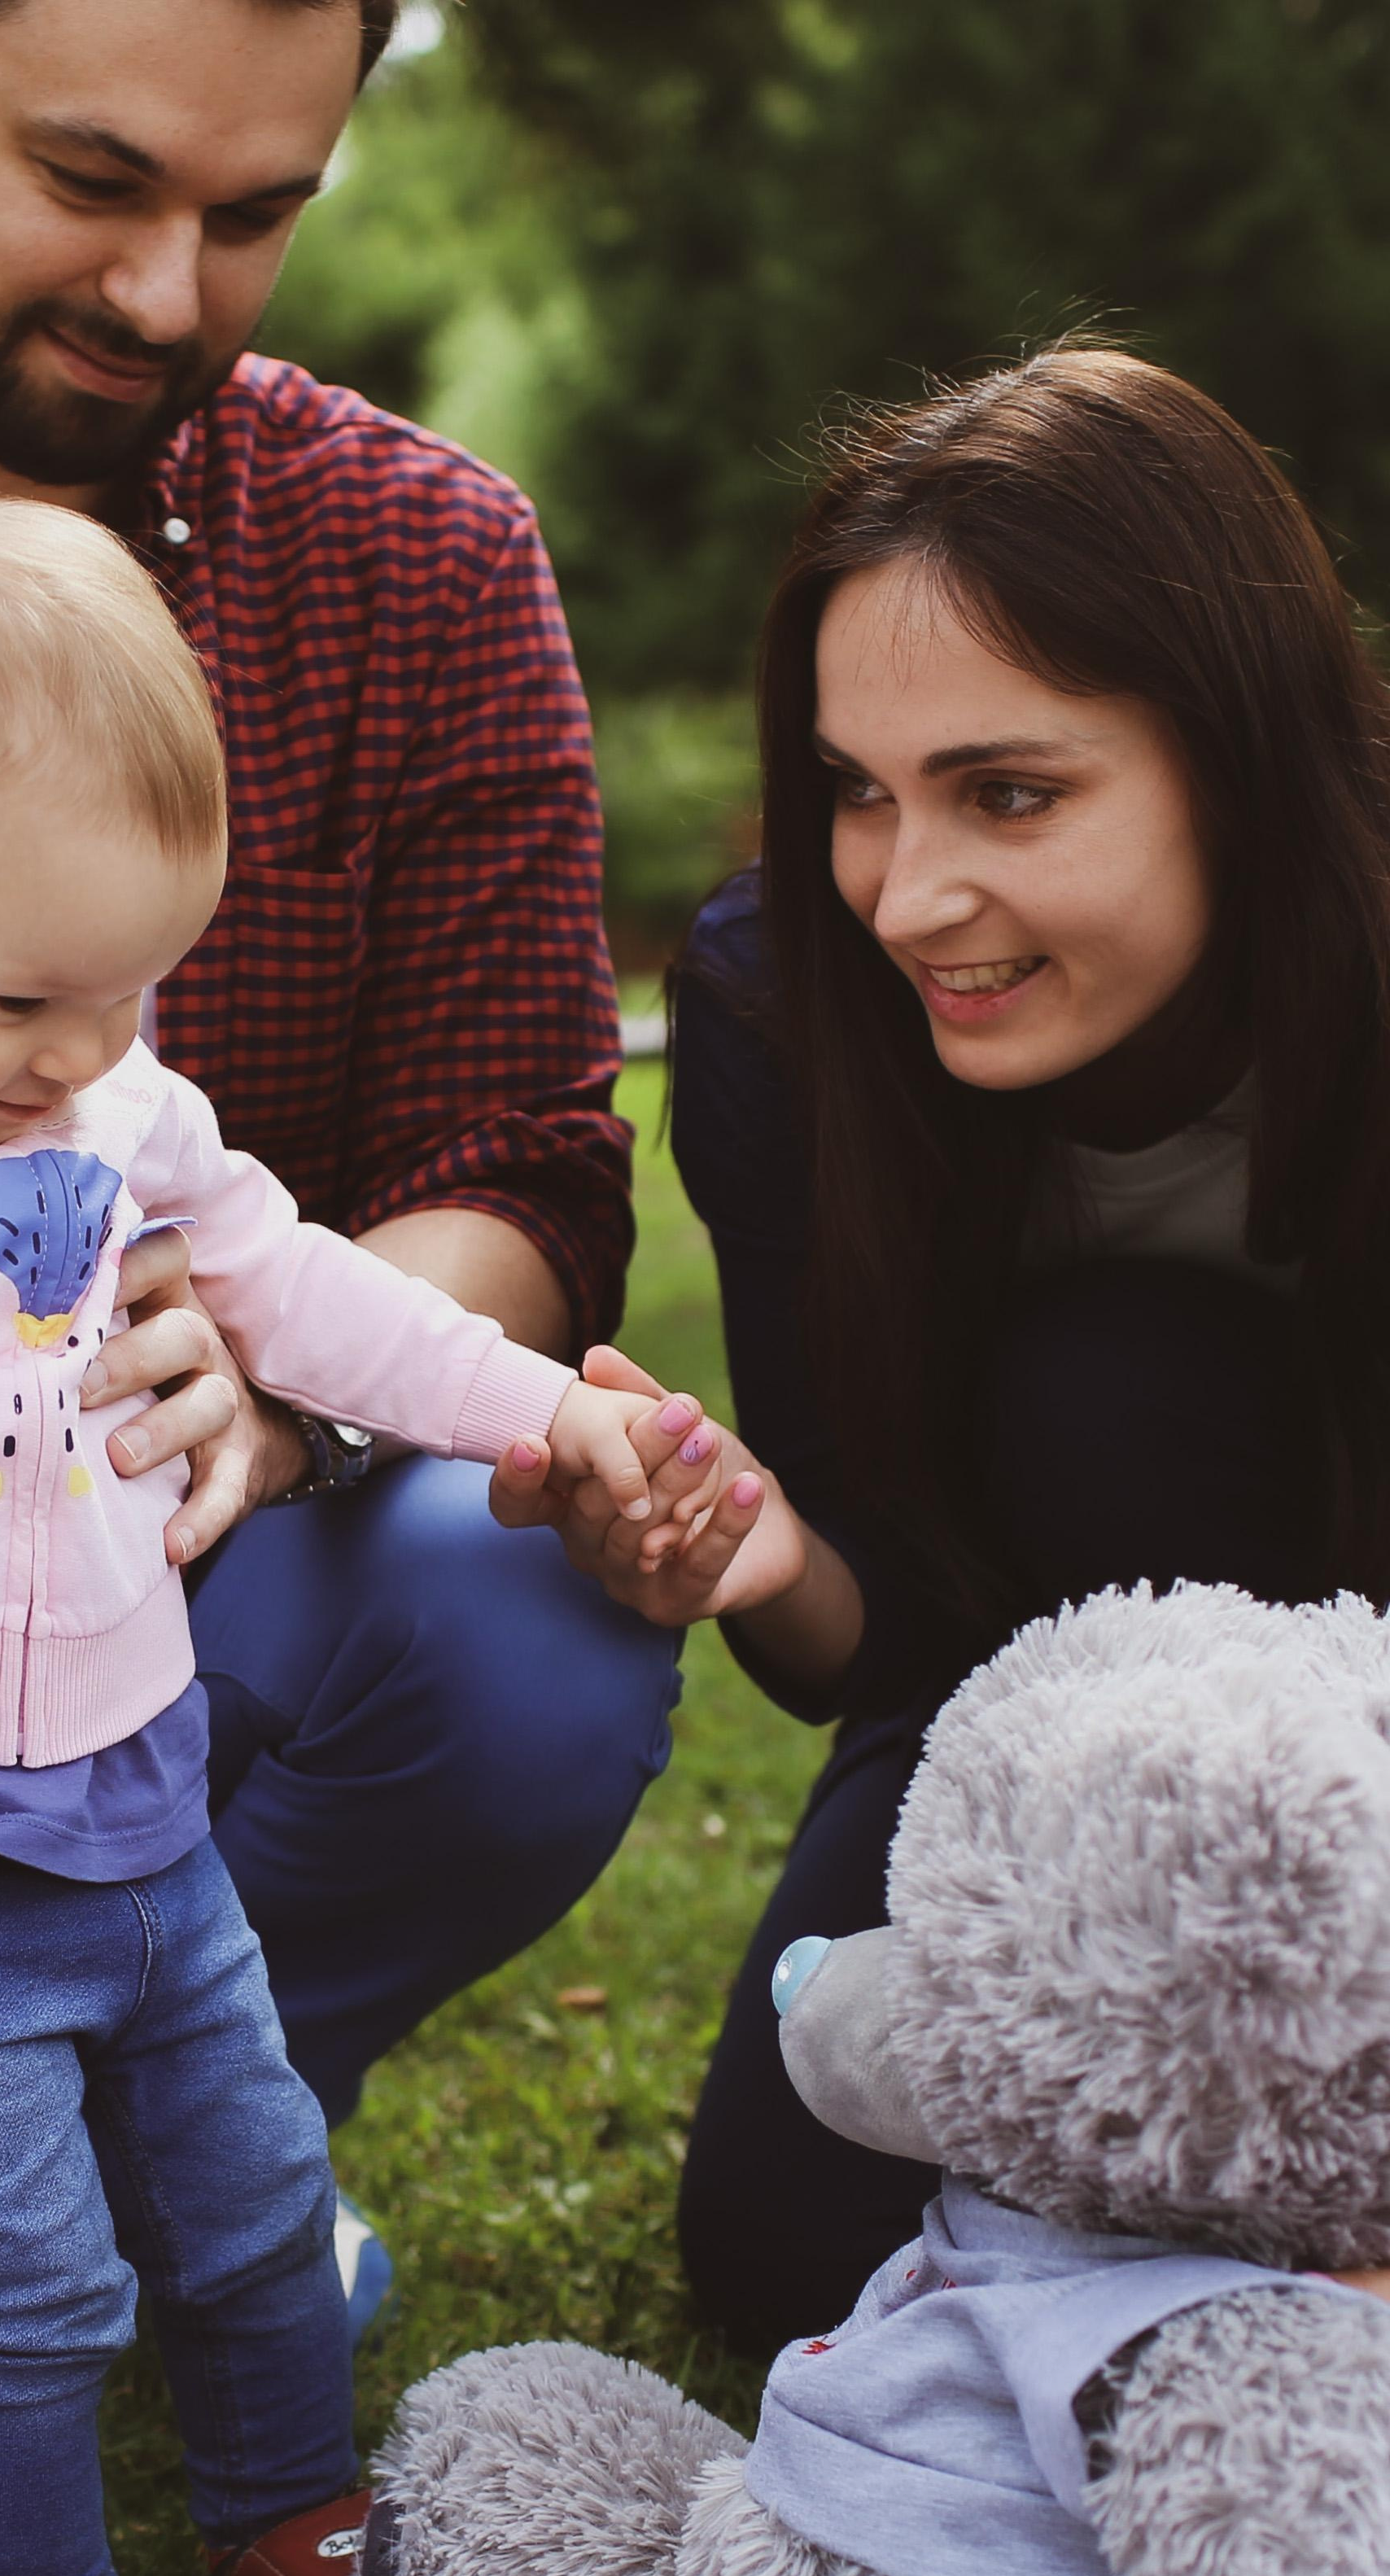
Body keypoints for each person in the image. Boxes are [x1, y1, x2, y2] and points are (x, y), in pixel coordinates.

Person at [0, 0, 681, 2481]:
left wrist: (291, 1365)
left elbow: (518, 1163)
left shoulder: (422, 565)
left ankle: (112, 2133)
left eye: (256, 212)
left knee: (526, 1604)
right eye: (93, 178)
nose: (160, 290)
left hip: (131, 1580)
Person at [493, 345, 1390, 2348]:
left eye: (1008, 792)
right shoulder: (776, 1015)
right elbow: (884, 1648)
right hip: (1014, 1726)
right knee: (797, 2258)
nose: (907, 897)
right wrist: (753, 1557)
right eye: (855, 795)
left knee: (1132, 1371)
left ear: (1235, 758)